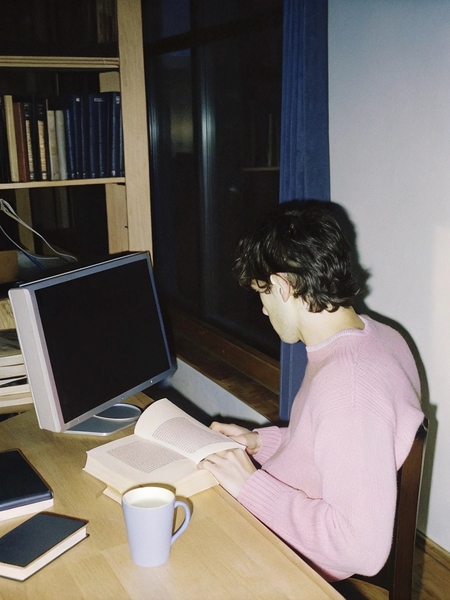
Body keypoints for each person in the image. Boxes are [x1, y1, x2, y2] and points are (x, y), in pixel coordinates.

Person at [198, 200, 424, 582]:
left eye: (262, 294)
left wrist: (250, 486)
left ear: (283, 287)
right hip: (287, 512)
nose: (264, 310)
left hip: (299, 559)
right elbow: (334, 445)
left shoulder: (348, 388)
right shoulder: (376, 336)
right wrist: (259, 442)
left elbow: (363, 551)